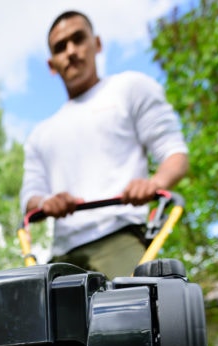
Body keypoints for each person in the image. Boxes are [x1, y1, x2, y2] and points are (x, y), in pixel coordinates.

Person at [20, 10, 190, 278]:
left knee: (133, 313)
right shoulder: (40, 134)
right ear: (52, 64)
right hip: (62, 256)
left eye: (78, 39)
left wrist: (154, 184)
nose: (71, 51)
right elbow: (30, 197)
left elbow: (175, 155)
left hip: (121, 238)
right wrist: (46, 202)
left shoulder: (131, 89)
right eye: (60, 47)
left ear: (97, 44)